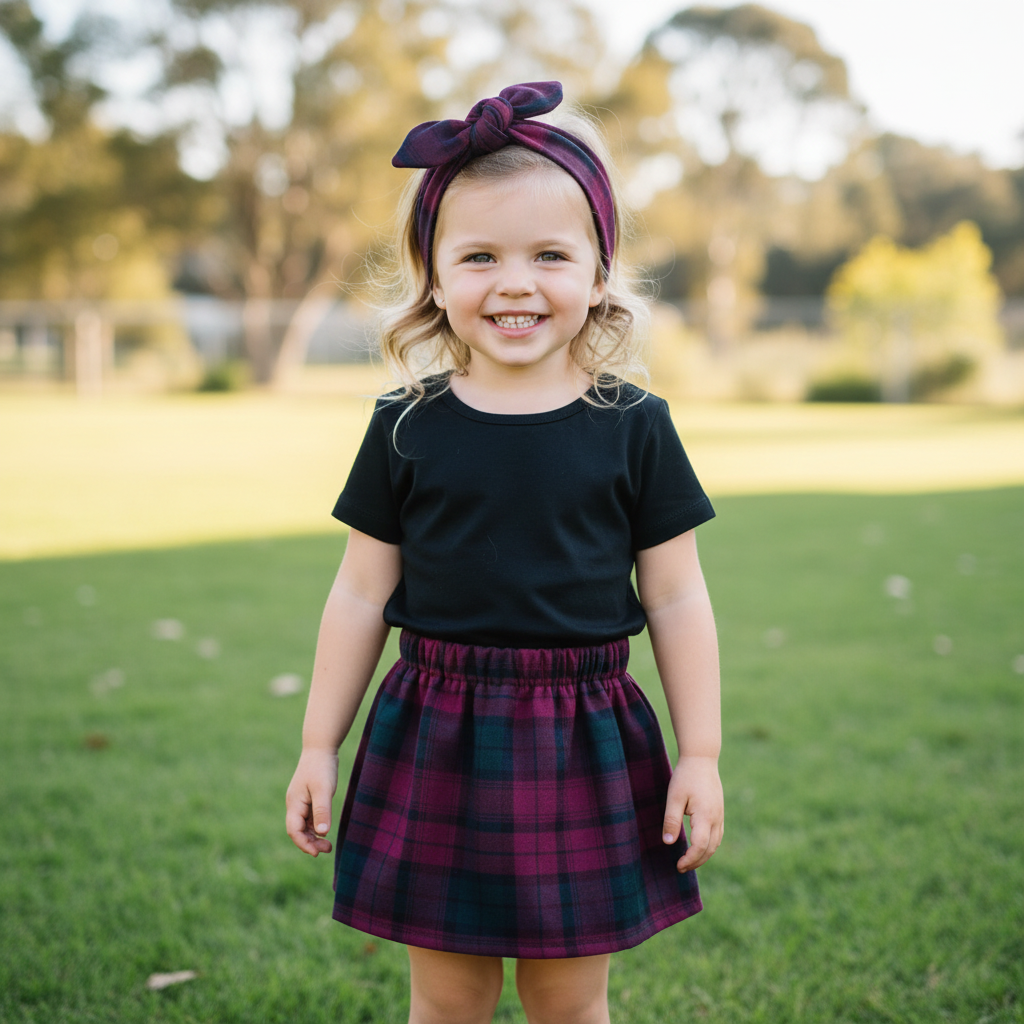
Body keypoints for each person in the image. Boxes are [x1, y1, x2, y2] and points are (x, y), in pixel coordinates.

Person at [286, 81, 724, 1024]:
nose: (515, 282)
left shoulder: (634, 427)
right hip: (434, 733)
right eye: (479, 255)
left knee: (570, 998)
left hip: (584, 736)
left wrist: (704, 754)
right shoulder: (407, 427)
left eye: (550, 255)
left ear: (600, 272)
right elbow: (361, 594)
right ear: (433, 275)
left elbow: (679, 598)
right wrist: (320, 744)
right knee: (447, 997)